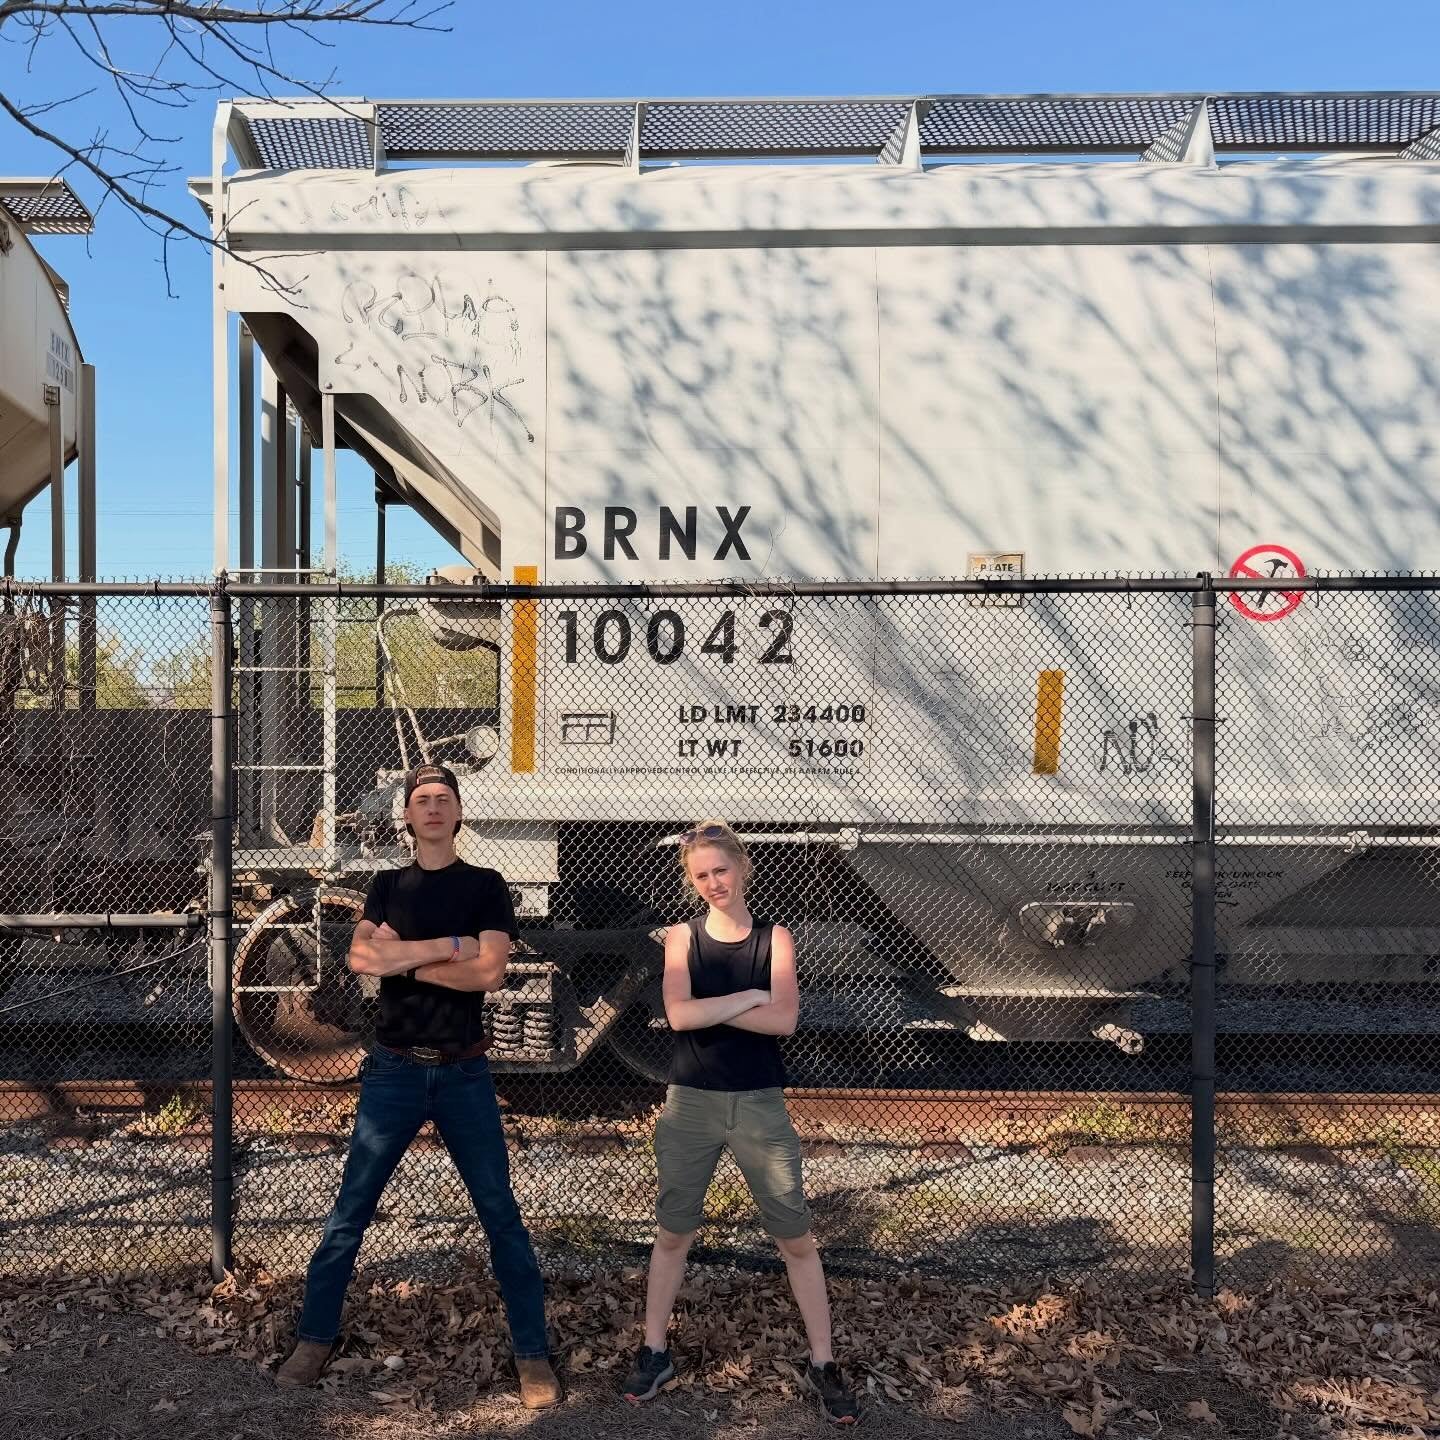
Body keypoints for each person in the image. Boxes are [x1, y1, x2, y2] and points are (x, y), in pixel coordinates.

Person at [275, 762, 559, 1409]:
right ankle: (313, 1339)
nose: (432, 808)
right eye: (421, 799)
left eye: (443, 798)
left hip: (463, 1074)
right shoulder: (387, 886)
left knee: (501, 1218)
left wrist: (406, 956)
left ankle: (532, 1354)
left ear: (458, 812)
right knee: (350, 1215)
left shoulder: (487, 885)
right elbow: (361, 959)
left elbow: (488, 974)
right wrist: (448, 948)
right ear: (406, 816)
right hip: (393, 1071)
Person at [621, 820, 859, 1425]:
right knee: (674, 1234)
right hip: (691, 1104)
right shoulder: (680, 939)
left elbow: (786, 1022)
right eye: (699, 875)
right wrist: (751, 998)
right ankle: (654, 1351)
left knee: (795, 1238)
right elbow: (678, 1015)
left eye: (719, 870)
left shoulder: (776, 939)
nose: (711, 883)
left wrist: (724, 1010)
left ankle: (824, 1363)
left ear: (742, 868)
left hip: (758, 1103)